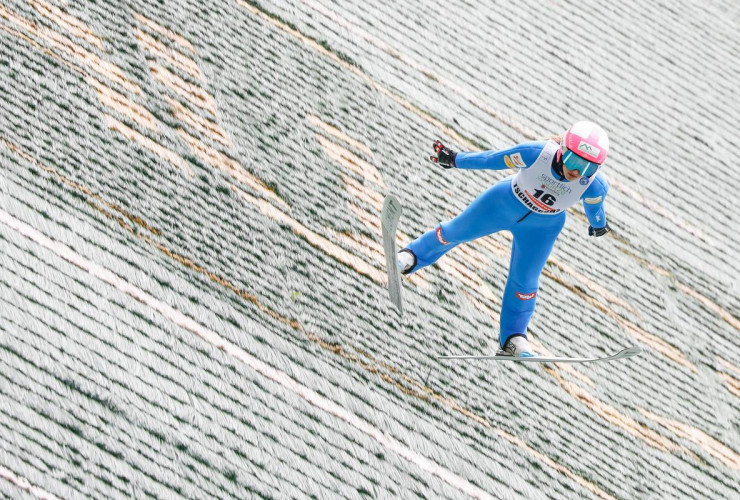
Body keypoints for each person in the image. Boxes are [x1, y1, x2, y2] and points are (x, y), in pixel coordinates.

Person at [397, 121, 612, 357]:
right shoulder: (536, 153)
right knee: (454, 232)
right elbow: (492, 159)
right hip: (502, 203)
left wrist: (598, 226)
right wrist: (455, 159)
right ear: (562, 150)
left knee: (526, 281)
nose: (578, 173)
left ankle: (513, 336)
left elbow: (595, 208)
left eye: (589, 168)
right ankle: (412, 256)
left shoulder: (594, 185)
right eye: (575, 162)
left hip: (542, 228)